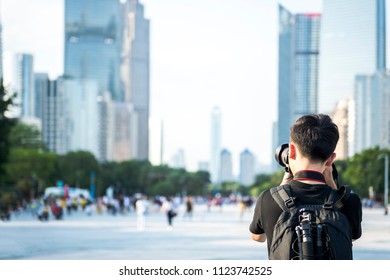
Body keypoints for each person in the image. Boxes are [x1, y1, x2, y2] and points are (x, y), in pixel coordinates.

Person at [249, 114, 362, 259]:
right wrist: (332, 183)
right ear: (331, 160)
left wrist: (283, 187)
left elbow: (258, 237)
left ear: (292, 151)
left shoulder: (268, 199)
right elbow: (348, 237)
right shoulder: (350, 201)